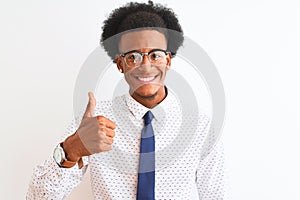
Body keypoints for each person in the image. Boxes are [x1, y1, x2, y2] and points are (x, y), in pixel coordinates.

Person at [27, 1, 226, 199]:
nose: (146, 66)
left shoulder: (200, 125)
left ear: (168, 60)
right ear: (120, 64)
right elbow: (37, 197)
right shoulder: (94, 123)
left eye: (155, 55)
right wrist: (70, 149)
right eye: (133, 57)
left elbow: (215, 196)